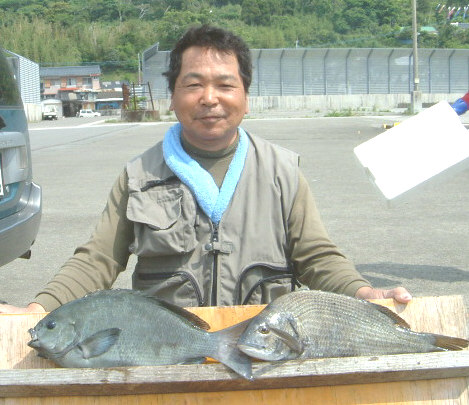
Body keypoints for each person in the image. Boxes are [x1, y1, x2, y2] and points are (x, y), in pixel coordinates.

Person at [0, 25, 411, 314]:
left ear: (246, 96)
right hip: (171, 353)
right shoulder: (138, 176)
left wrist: (363, 291)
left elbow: (317, 255)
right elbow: (98, 259)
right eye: (193, 84)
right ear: (172, 96)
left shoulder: (283, 171)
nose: (209, 98)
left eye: (225, 85)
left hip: (261, 349)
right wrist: (39, 308)